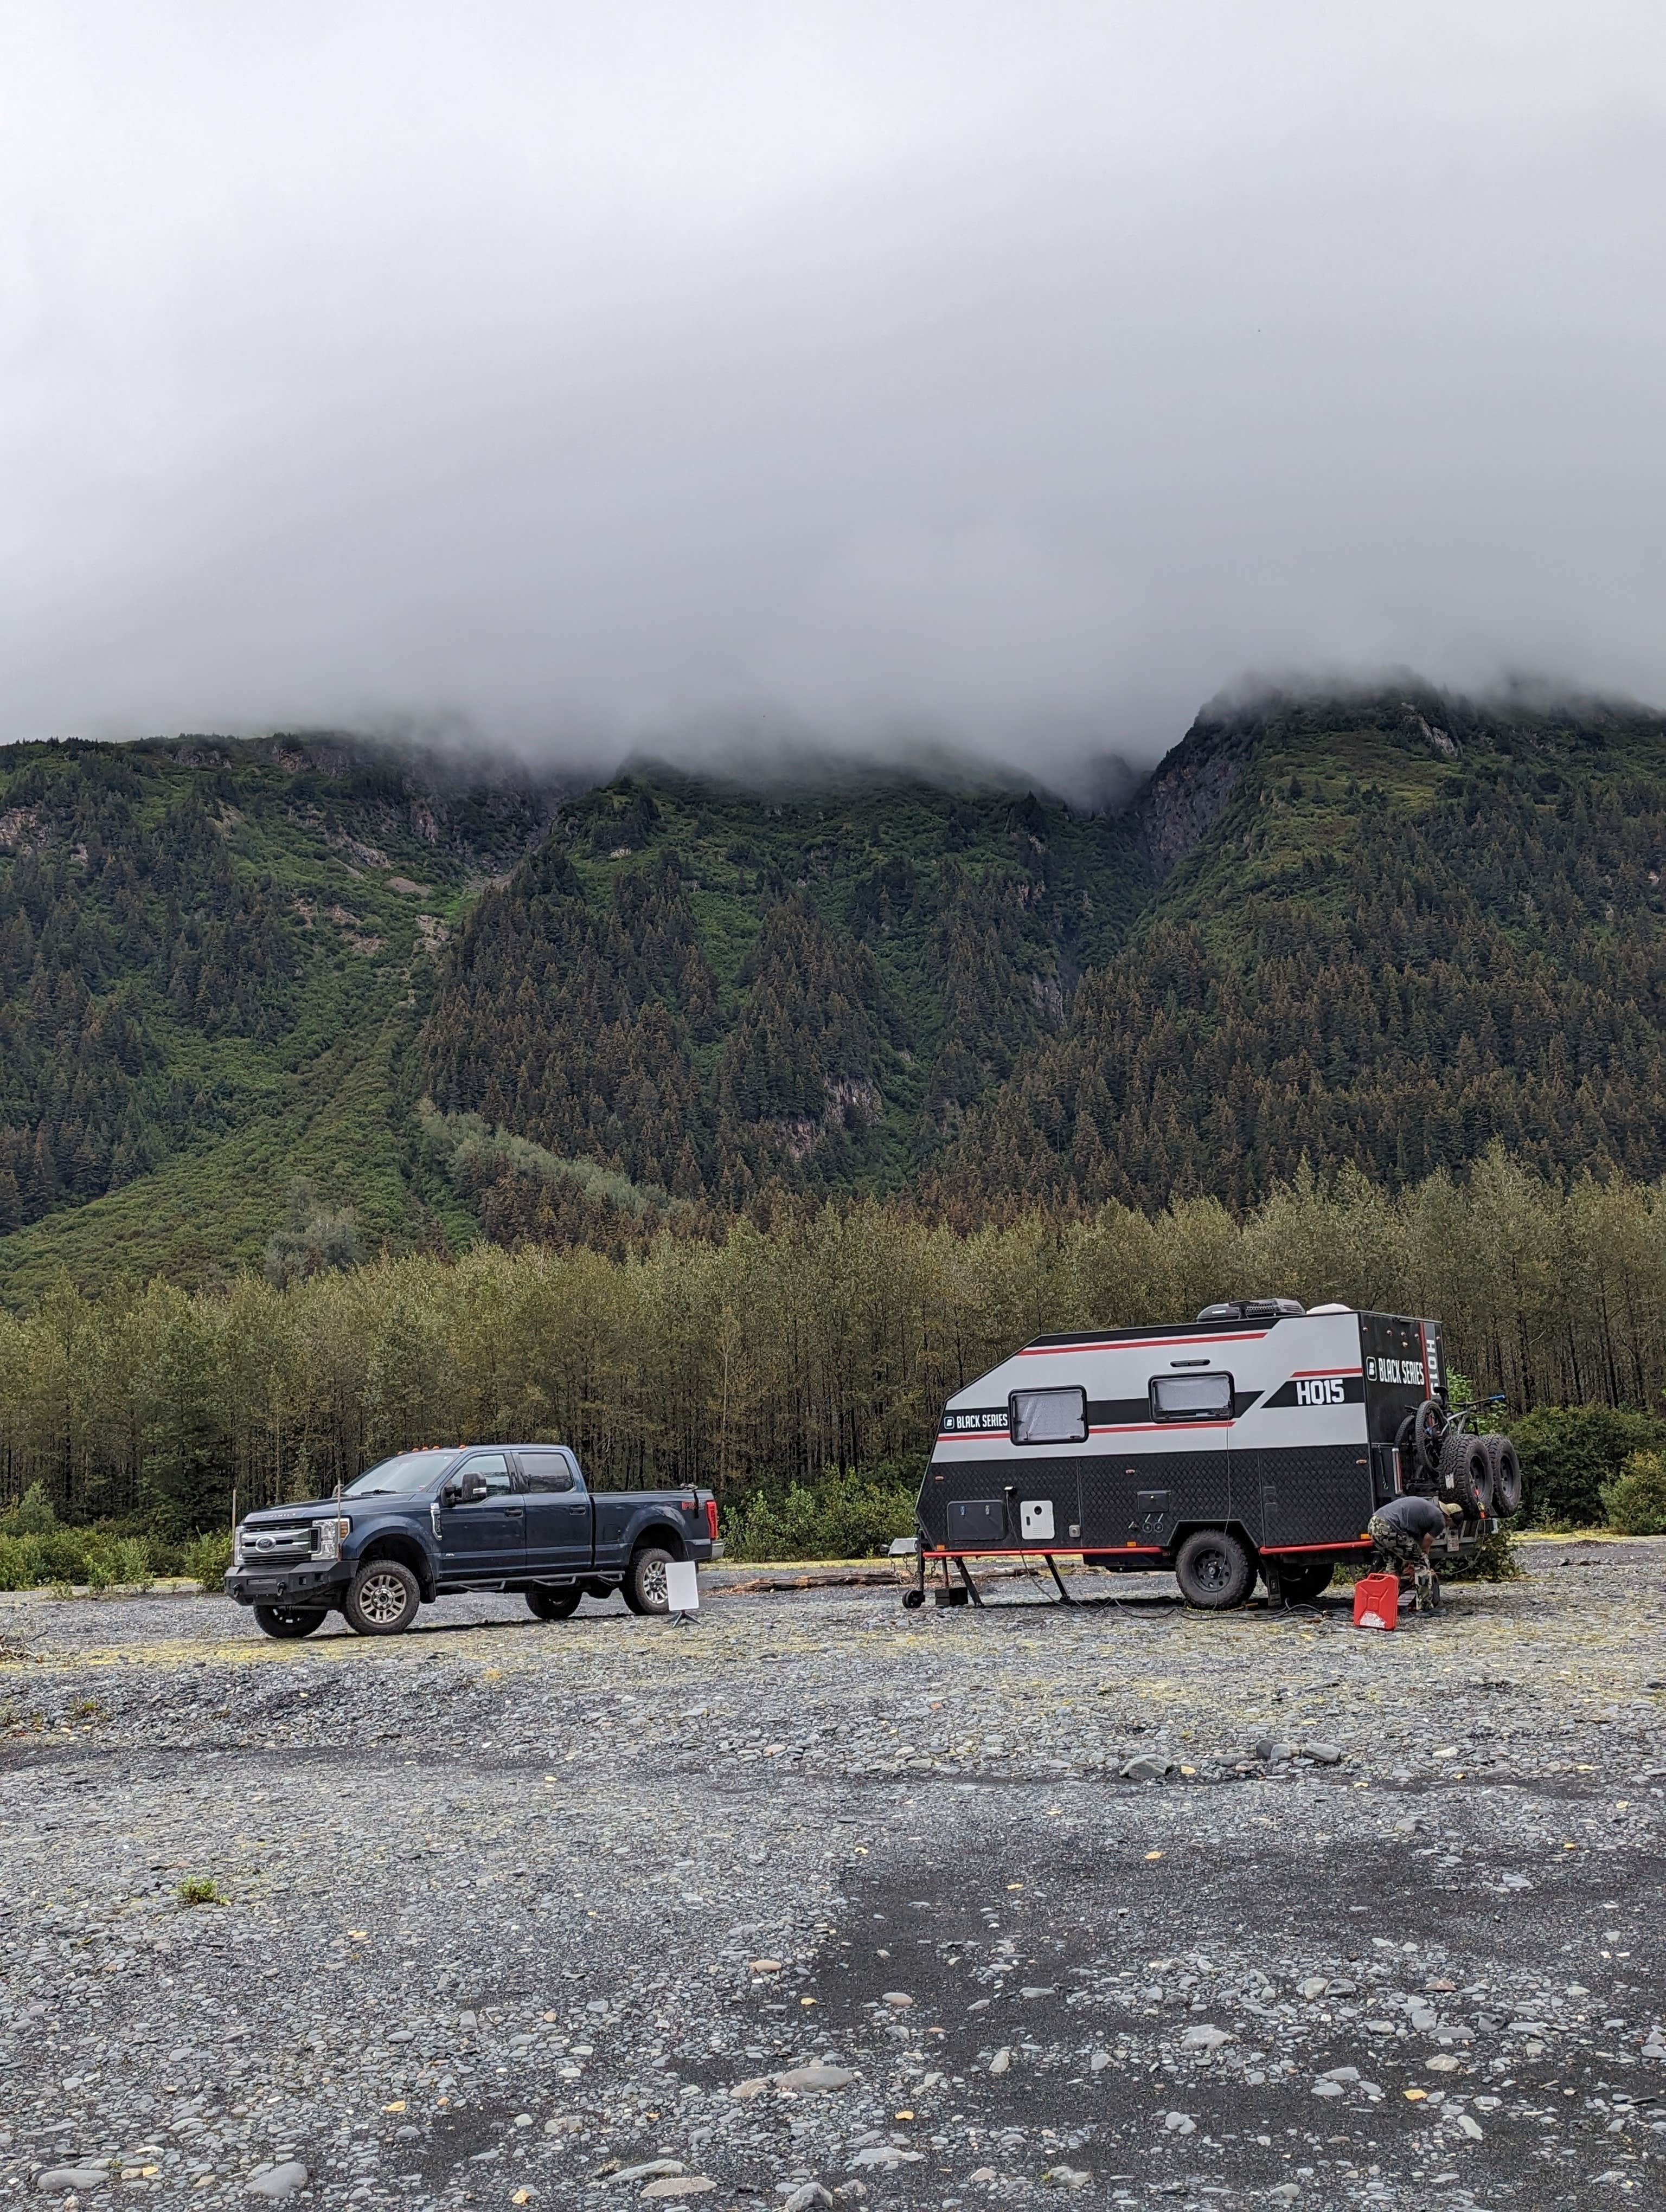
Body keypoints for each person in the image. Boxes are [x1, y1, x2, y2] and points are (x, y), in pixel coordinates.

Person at [1367, 1493, 1459, 1613]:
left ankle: (1389, 1605)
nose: (1446, 1527)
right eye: (1449, 1525)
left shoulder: (1427, 1511)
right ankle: (1425, 1607)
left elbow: (1416, 1544)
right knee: (1422, 1563)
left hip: (1374, 1525)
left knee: (1393, 1565)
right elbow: (1425, 1545)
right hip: (1390, 1527)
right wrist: (1416, 1562)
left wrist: (1410, 1559)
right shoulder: (1440, 1520)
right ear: (1449, 1519)